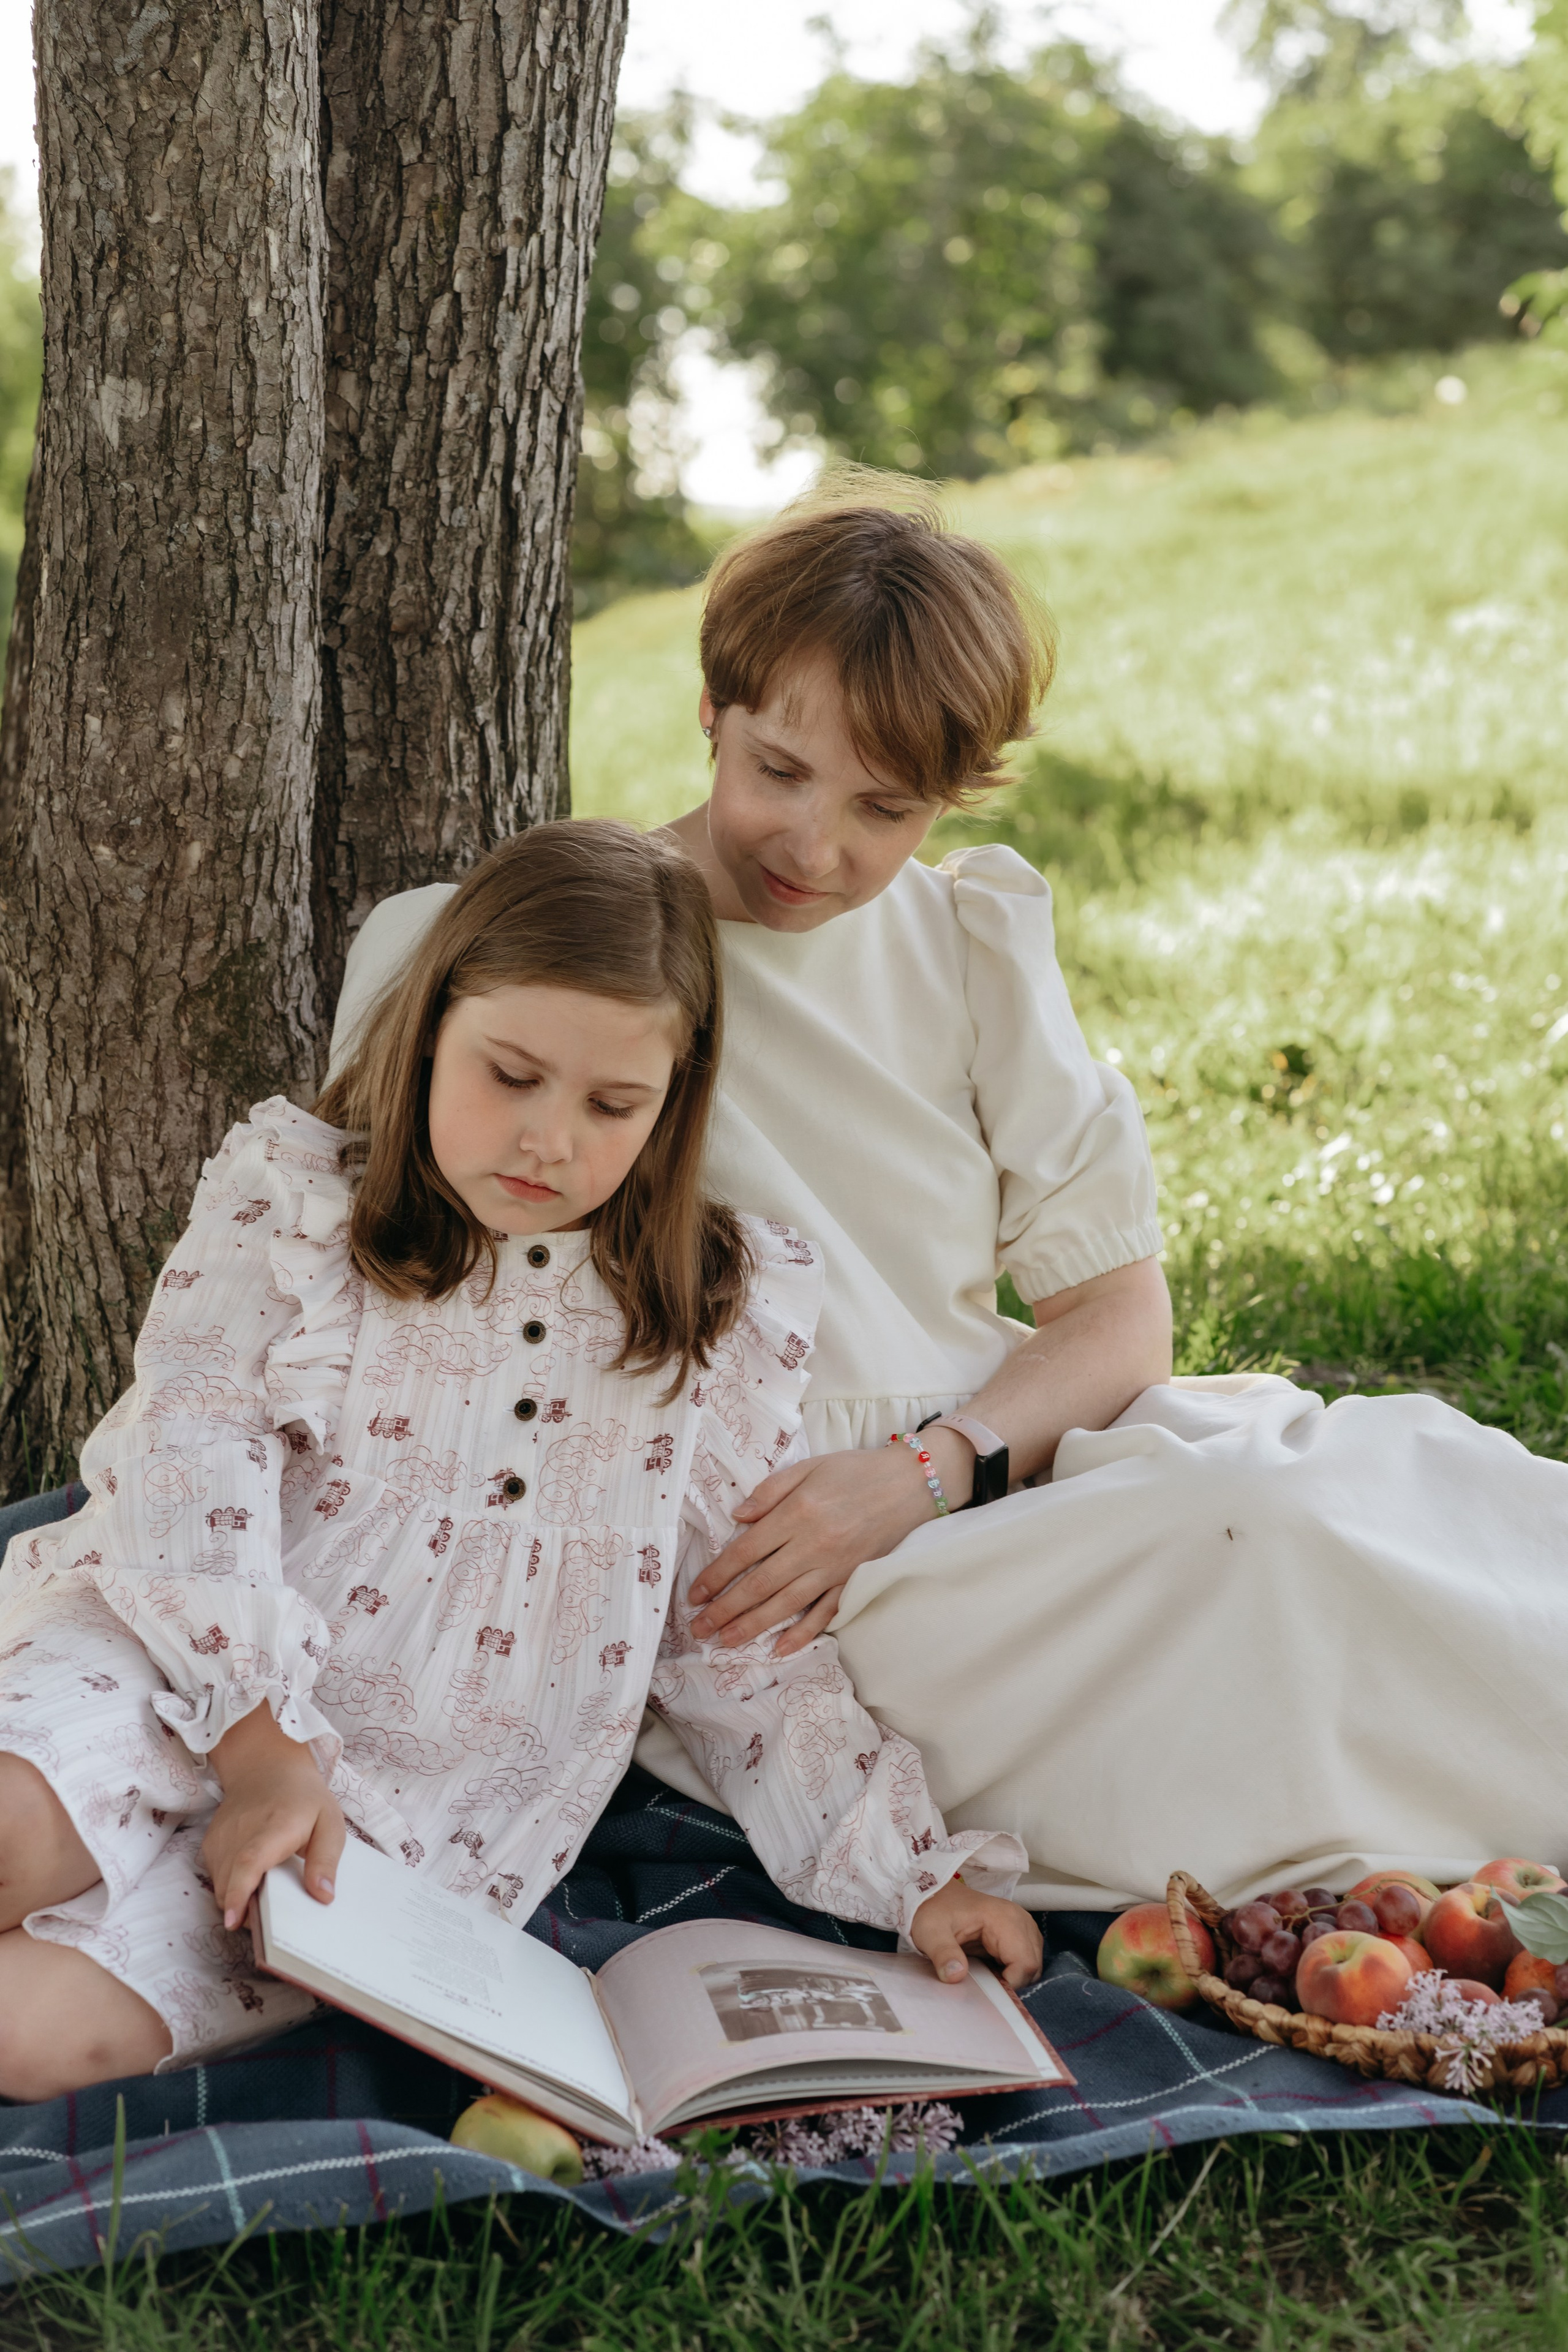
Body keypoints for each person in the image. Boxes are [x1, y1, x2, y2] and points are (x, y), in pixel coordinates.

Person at [316, 477, 1568, 1914]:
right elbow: (385, 1296)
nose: (816, 847)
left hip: (990, 1466)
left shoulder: (966, 940)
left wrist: (928, 1470)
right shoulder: (525, 955)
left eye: (883, 807)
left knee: (1347, 1491)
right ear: (712, 712)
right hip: (769, 1559)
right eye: (779, 769)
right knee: (1258, 1559)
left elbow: (1114, 1317)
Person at [0, 821, 1039, 2103]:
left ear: (673, 1102)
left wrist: (914, 1875)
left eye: (611, 1105)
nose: (547, 1140)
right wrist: (262, 1745)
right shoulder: (300, 1206)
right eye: (509, 1074)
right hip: (178, 1653)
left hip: (403, 1805)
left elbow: (733, 1641)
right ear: (432, 1027)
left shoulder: (715, 1318)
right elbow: (183, 1458)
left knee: (42, 2041)